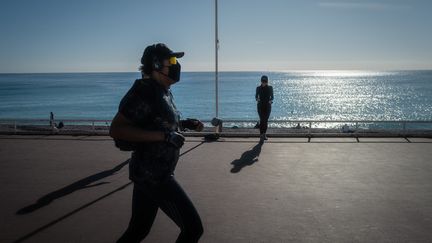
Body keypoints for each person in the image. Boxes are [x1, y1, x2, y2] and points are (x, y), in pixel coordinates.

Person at [110, 43, 204, 243]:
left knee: (138, 230)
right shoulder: (144, 91)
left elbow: (158, 121)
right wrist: (165, 137)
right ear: (155, 65)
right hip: (154, 175)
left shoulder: (163, 90)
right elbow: (117, 129)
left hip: (150, 173)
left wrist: (185, 123)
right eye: (171, 61)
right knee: (193, 229)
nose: (176, 64)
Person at [255, 75, 273, 140]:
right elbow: (256, 96)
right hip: (260, 106)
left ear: (267, 81)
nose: (264, 83)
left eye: (265, 81)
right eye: (263, 81)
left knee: (265, 121)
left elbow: (272, 97)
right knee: (262, 120)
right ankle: (261, 135)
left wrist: (271, 100)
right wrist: (257, 99)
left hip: (268, 106)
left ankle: (264, 134)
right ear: (261, 81)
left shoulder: (270, 88)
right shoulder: (258, 88)